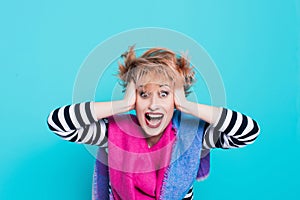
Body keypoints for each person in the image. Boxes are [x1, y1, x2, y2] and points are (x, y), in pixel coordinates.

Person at [47, 46, 260, 200]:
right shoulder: (111, 134)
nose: (154, 105)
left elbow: (248, 132)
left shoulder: (193, 136)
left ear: (175, 99)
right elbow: (59, 124)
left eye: (164, 93)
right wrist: (122, 104)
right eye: (144, 94)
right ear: (134, 98)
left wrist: (187, 106)